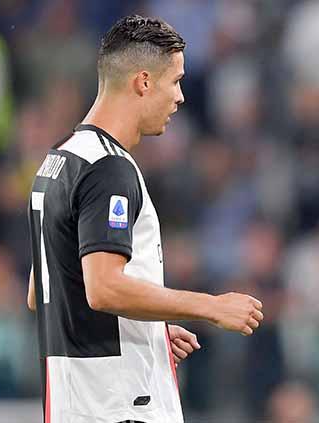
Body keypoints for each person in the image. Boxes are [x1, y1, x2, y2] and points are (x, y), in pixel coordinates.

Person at [26, 15, 264, 423]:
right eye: (175, 81)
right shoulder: (109, 169)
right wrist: (210, 307)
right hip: (117, 407)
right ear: (143, 82)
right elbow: (103, 288)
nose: (181, 97)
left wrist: (149, 329)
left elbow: (45, 291)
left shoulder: (60, 158)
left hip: (73, 404)